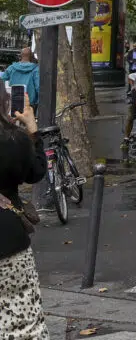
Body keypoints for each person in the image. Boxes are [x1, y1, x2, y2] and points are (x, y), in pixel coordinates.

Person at [0, 92, 49, 340]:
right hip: (8, 242)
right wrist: (32, 130)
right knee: (22, 323)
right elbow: (36, 172)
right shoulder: (13, 141)